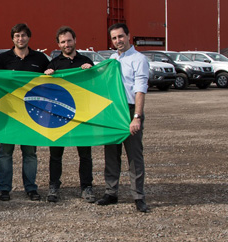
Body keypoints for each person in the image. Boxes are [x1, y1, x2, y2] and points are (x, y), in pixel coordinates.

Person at [97, 23, 150, 213]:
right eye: (114, 38)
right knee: (111, 153)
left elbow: (140, 90)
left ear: (128, 36)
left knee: (134, 155)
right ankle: (111, 192)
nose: (118, 41)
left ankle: (138, 196)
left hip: (129, 110)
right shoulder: (112, 59)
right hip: (113, 111)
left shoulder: (139, 59)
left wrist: (137, 117)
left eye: (120, 36)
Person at [0, 23, 49, 202]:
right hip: (8, 113)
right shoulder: (3, 59)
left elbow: (51, 81)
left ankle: (31, 188)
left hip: (31, 113)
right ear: (12, 38)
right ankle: (4, 189)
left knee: (30, 153)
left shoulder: (40, 59)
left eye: (23, 35)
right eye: (17, 36)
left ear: (29, 37)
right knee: (5, 153)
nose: (20, 39)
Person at [44, 26, 95, 203]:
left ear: (75, 40)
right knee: (55, 155)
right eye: (63, 42)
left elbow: (96, 85)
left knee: (85, 154)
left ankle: (87, 187)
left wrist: (91, 71)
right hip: (58, 116)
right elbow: (45, 91)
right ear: (58, 44)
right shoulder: (53, 64)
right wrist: (47, 76)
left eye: (69, 40)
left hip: (82, 114)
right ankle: (53, 186)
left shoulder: (86, 61)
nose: (67, 44)